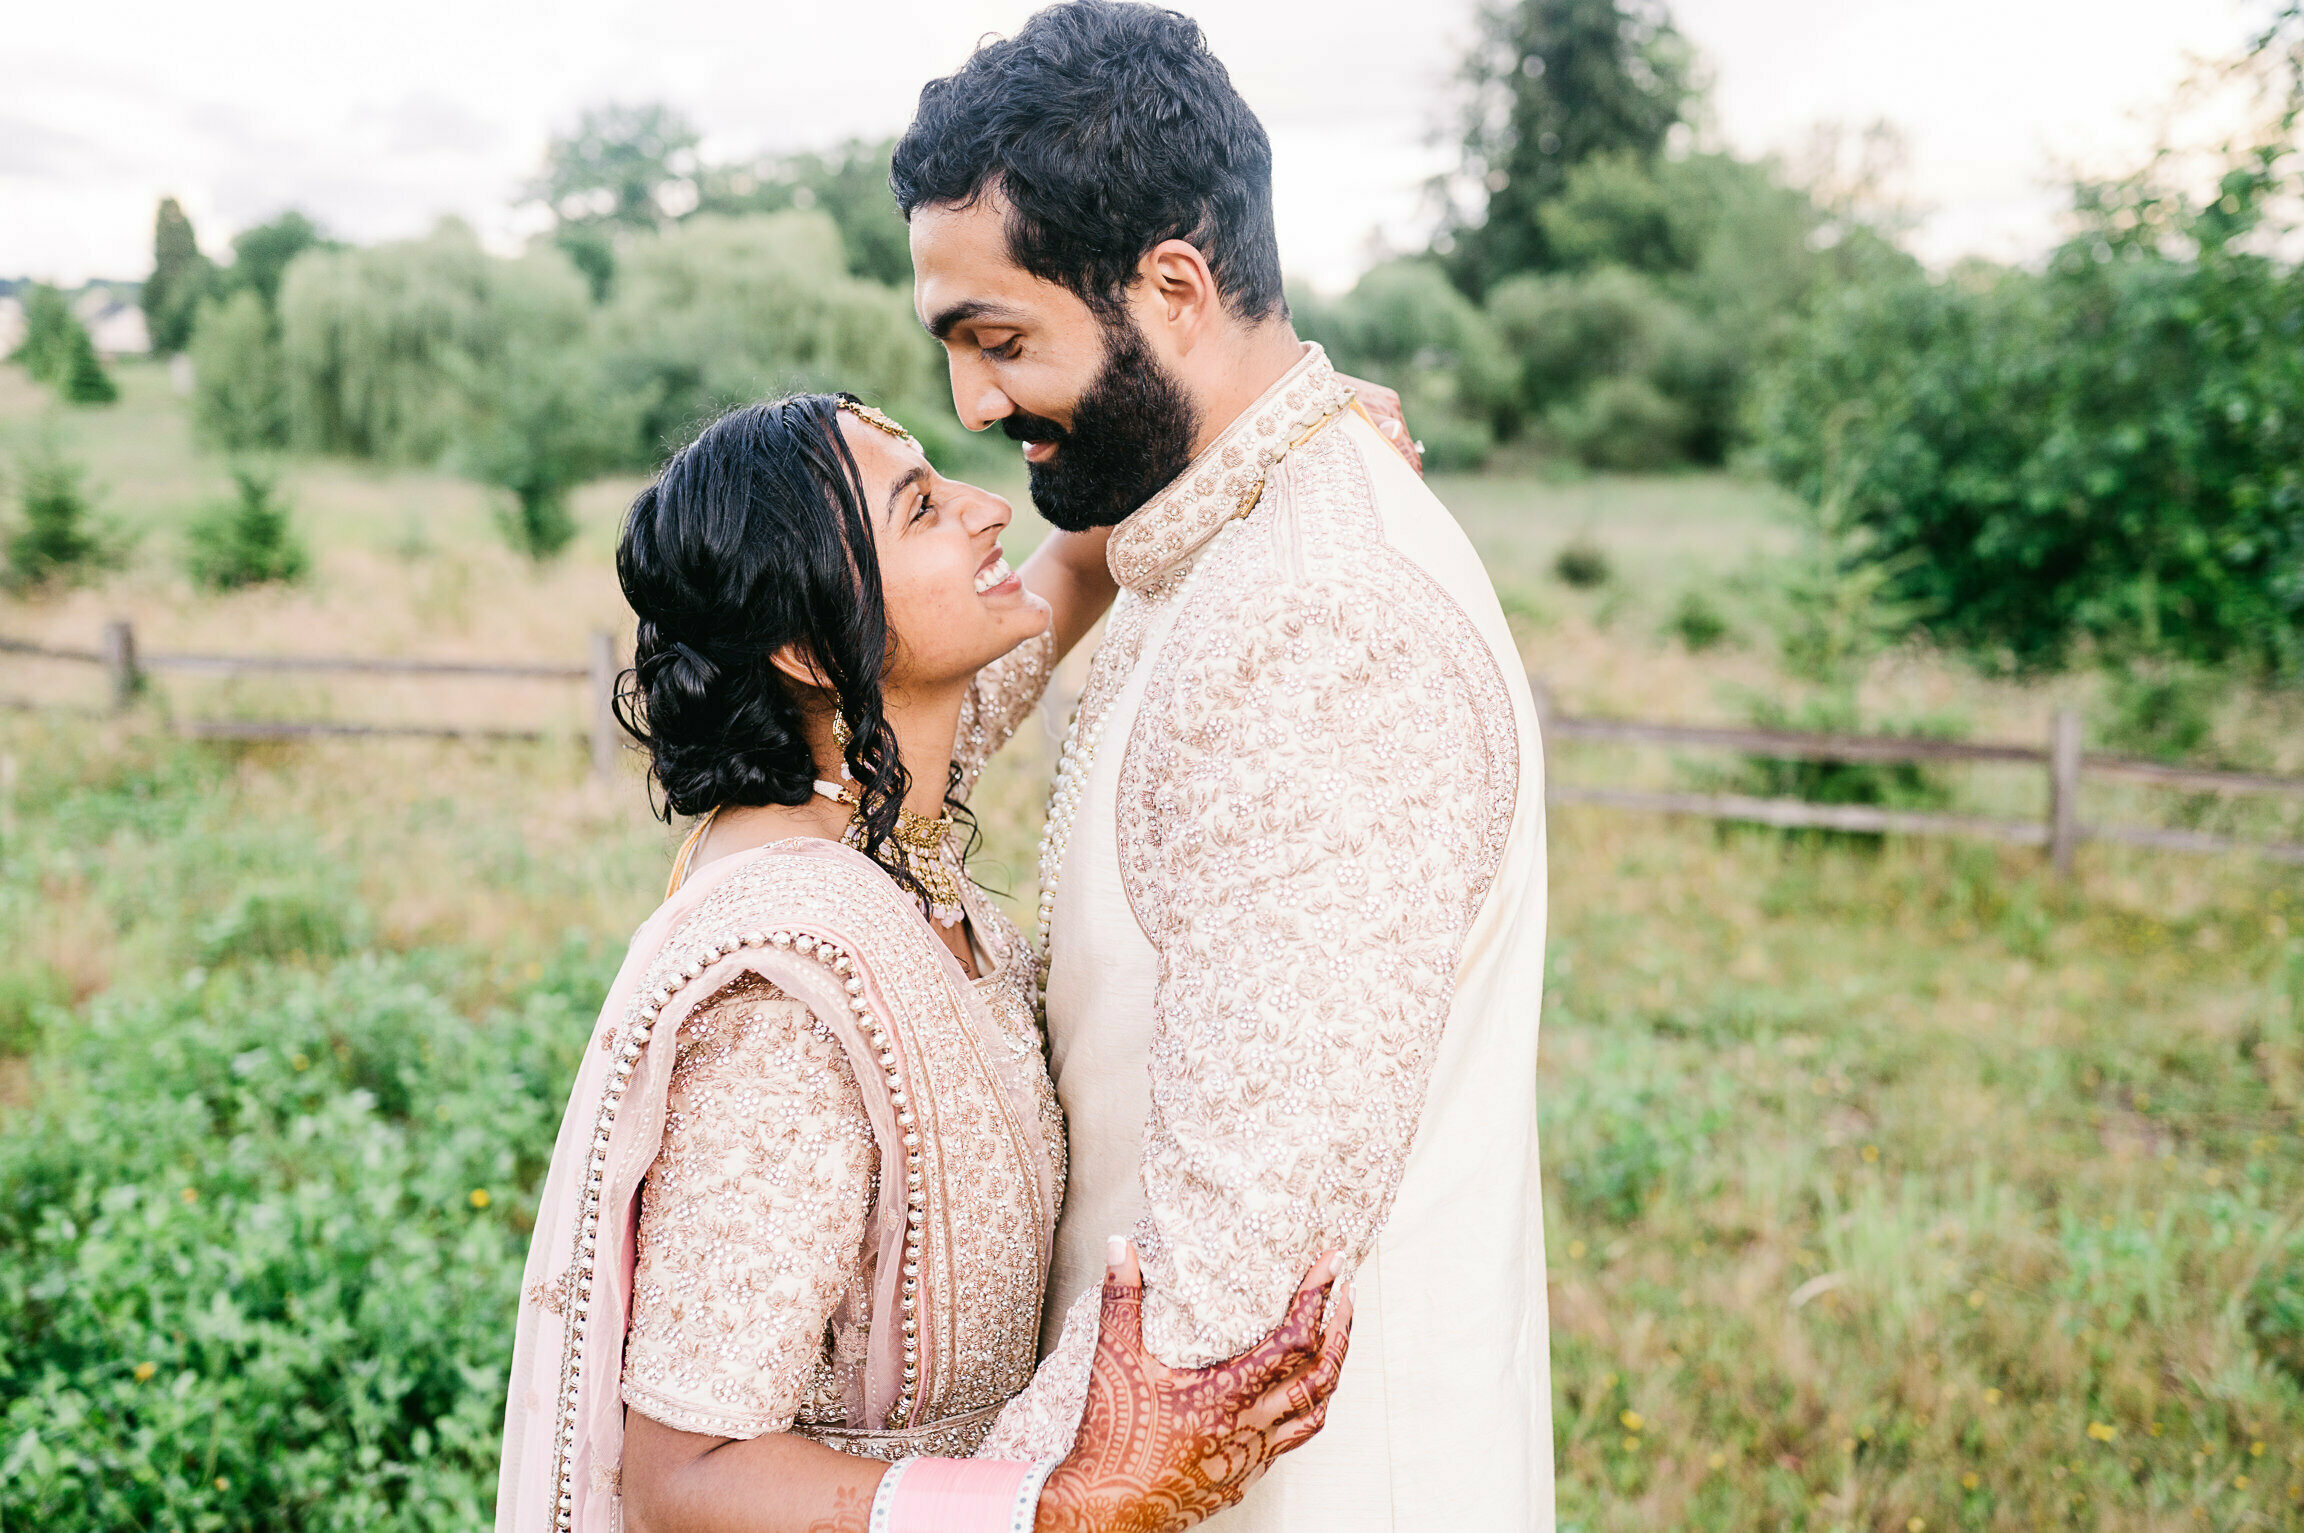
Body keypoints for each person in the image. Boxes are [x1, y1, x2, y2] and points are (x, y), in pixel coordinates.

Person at [894, 5, 1555, 1529]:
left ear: (1172, 288)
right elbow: (896, 733)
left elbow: (1215, 1302)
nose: (975, 409)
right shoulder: (1207, 535)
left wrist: (953, 1512)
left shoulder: (1322, 622)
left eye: (1001, 343)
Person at [493, 394, 1353, 1533]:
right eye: (923, 509)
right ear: (810, 649)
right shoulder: (786, 1003)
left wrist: (1296, 424)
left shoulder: (874, 788)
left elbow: (1076, 562)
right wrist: (1068, 1507)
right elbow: (687, 1471)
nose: (988, 508)